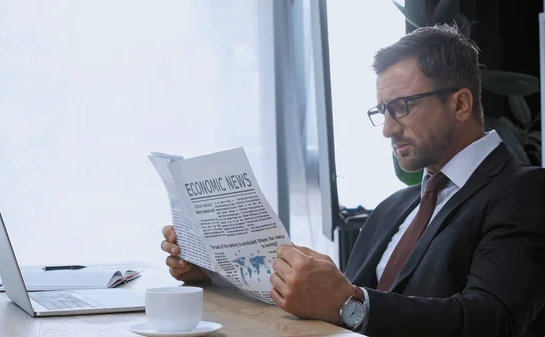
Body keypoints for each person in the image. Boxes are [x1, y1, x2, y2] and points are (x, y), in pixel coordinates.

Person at [160, 24, 545, 337]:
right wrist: (213, 271)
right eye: (383, 111)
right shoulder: (395, 206)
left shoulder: (524, 191)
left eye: (402, 107)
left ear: (460, 104)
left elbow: (493, 320)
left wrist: (348, 302)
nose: (388, 129)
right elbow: (335, 304)